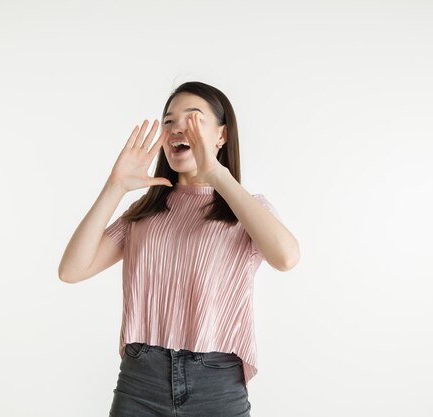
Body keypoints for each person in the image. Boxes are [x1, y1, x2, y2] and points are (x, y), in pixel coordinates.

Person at [58, 81, 300, 417]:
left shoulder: (245, 209)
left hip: (216, 383)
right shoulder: (146, 212)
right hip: (140, 381)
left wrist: (217, 175)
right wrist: (115, 187)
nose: (176, 129)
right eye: (169, 121)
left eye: (193, 118)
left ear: (222, 135)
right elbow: (71, 270)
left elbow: (286, 258)